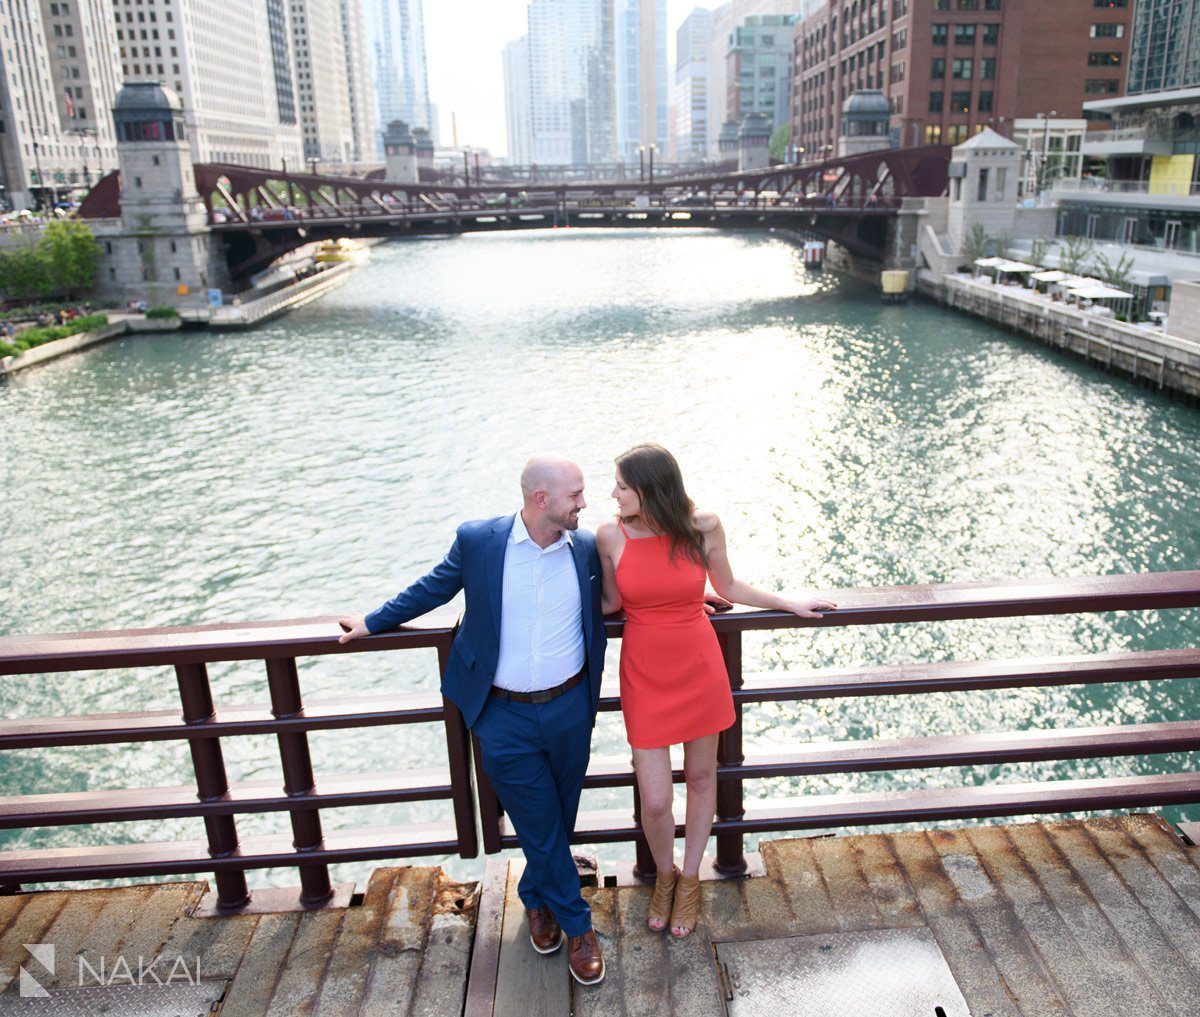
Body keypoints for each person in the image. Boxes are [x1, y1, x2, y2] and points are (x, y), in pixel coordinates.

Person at [338, 456, 609, 986]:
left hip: (570, 709)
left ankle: (535, 899)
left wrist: (698, 596)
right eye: (576, 494)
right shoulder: (481, 542)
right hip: (501, 713)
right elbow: (433, 588)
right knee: (539, 819)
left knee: (556, 817)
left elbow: (634, 596)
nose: (584, 503)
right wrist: (371, 622)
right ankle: (578, 926)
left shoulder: (589, 547)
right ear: (541, 499)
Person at [596, 443, 836, 939]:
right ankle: (663, 876)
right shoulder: (608, 536)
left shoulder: (702, 526)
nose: (613, 493)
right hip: (644, 670)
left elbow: (727, 586)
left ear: (648, 488)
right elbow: (610, 603)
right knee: (657, 800)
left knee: (702, 779)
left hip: (698, 664)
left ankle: (689, 880)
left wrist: (788, 603)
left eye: (621, 485)